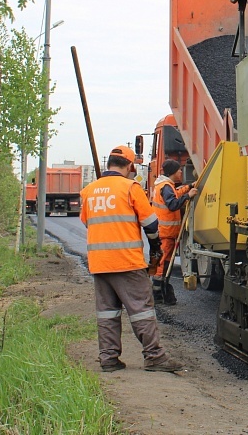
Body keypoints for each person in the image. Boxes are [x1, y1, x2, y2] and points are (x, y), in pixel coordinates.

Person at [80, 145, 183, 373]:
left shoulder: (89, 190)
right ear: (129, 166)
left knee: (107, 312)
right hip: (127, 262)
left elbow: (88, 222)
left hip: (99, 263)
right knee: (141, 309)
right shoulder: (130, 188)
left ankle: (108, 359)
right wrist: (155, 245)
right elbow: (151, 223)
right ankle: (154, 356)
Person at [150, 159, 198, 305]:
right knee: (161, 265)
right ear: (172, 172)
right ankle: (157, 294)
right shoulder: (165, 187)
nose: (181, 172)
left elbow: (175, 194)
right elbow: (173, 204)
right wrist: (188, 196)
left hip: (164, 233)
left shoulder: (165, 185)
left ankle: (158, 293)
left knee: (160, 263)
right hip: (165, 233)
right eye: (179, 170)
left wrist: (188, 187)